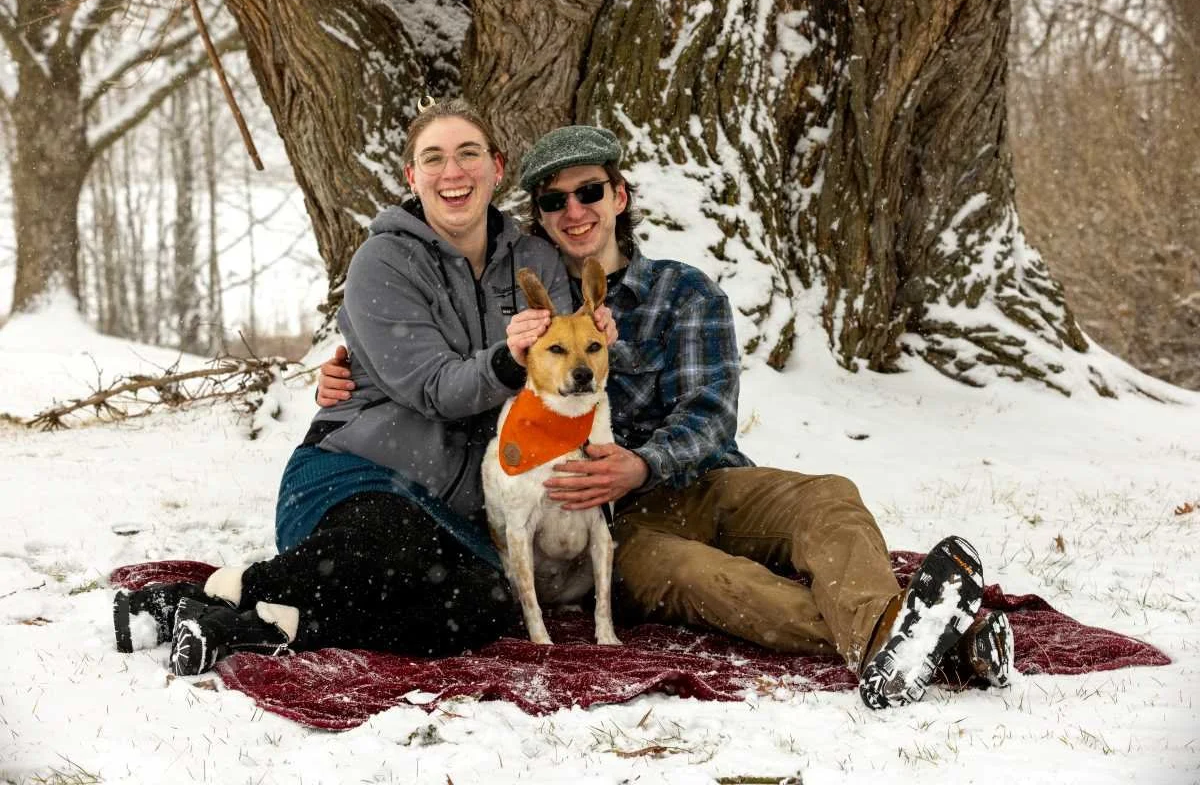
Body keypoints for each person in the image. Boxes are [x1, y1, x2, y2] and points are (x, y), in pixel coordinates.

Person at [318, 125, 1014, 710]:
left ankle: (896, 635)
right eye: (555, 201)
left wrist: (643, 463)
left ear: (619, 197)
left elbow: (711, 413)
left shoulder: (684, 292)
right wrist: (349, 372)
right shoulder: (528, 311)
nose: (575, 211)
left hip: (707, 481)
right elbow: (445, 363)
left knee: (829, 496)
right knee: (706, 578)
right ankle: (923, 643)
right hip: (620, 523)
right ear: (541, 218)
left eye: (590, 191)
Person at [111, 100, 615, 676]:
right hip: (358, 469)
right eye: (434, 158)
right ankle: (197, 597)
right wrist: (509, 360)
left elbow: (559, 377)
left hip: (454, 507)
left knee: (483, 605)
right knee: (388, 548)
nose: (453, 172)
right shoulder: (383, 261)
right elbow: (431, 387)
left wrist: (591, 341)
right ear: (412, 176)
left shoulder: (535, 263)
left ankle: (267, 627)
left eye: (469, 153)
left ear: (497, 167)